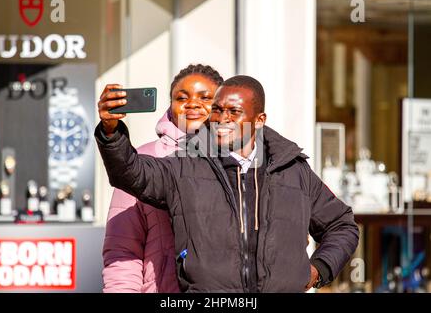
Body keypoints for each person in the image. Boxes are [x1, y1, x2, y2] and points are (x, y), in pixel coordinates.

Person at [96, 74, 359, 292]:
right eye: (218, 111)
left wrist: (317, 271)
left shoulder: (293, 170)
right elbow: (129, 172)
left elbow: (342, 225)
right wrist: (111, 131)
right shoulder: (186, 165)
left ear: (259, 120)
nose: (222, 119)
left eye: (234, 112)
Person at [101, 64, 224, 292]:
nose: (192, 104)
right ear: (171, 106)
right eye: (181, 97)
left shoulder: (239, 161)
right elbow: (122, 248)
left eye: (205, 97)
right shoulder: (143, 160)